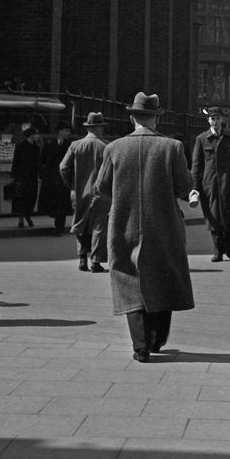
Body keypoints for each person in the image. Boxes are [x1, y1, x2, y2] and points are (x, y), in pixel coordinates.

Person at [94, 92, 195, 362]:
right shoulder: (171, 147)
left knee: (128, 279)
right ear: (156, 118)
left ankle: (140, 346)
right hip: (163, 224)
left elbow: (101, 187)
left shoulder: (113, 148)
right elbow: (185, 186)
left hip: (124, 224)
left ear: (132, 118)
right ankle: (157, 338)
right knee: (164, 275)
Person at [190, 105, 230, 261]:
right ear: (208, 120)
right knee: (213, 218)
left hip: (228, 184)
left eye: (218, 118)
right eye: (213, 119)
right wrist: (195, 188)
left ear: (222, 119)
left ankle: (227, 244)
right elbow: (196, 166)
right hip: (210, 185)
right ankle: (218, 251)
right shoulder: (201, 139)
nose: (215, 122)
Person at [63, 112, 109, 272]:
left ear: (88, 127)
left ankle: (82, 258)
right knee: (99, 226)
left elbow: (63, 167)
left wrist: (72, 185)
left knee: (80, 223)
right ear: (100, 128)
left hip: (79, 191)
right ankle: (95, 261)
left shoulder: (75, 145)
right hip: (102, 193)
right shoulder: (107, 146)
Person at [37, 123, 73, 234]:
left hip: (63, 177)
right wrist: (44, 174)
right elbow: (42, 160)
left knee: (62, 203)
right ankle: (58, 224)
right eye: (66, 130)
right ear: (60, 131)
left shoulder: (70, 145)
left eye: (68, 131)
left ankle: (59, 228)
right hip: (52, 177)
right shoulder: (50, 144)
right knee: (55, 202)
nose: (68, 133)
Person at [10, 125, 41, 227]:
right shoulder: (20, 146)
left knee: (31, 197)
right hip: (22, 176)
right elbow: (16, 161)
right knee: (21, 198)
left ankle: (27, 215)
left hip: (32, 177)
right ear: (31, 135)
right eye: (36, 134)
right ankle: (22, 218)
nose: (38, 136)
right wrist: (15, 175)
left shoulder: (36, 147)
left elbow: (38, 162)